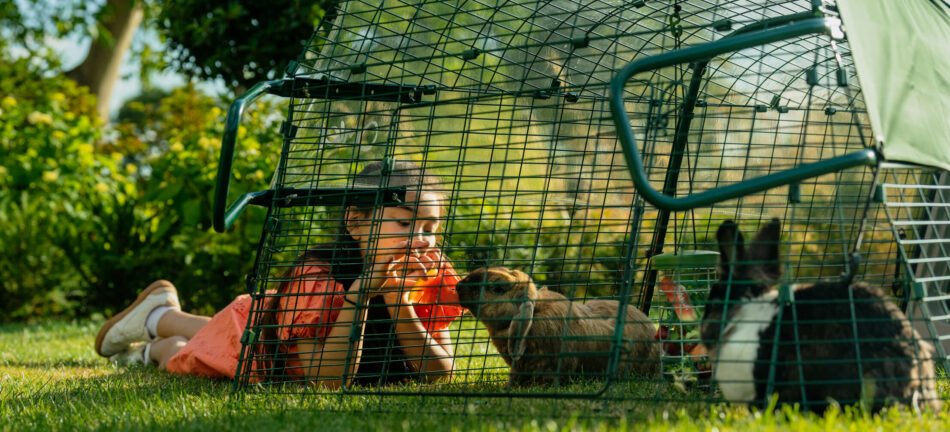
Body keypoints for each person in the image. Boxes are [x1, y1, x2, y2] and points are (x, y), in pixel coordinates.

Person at [94, 160, 464, 388]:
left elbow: (438, 371)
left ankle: (159, 314)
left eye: (431, 228)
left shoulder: (429, 274)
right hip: (260, 344)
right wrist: (361, 294)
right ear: (355, 221)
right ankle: (157, 333)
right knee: (188, 357)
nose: (421, 240)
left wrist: (398, 300)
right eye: (404, 224)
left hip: (266, 320)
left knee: (210, 333)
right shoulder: (317, 278)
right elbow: (327, 380)